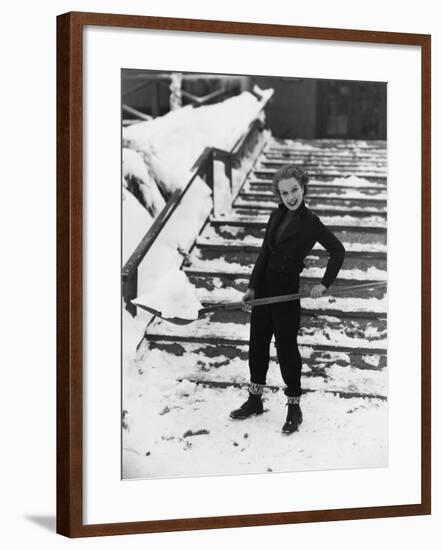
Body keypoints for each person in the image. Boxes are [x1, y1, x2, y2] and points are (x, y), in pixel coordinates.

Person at [229, 165, 345, 434]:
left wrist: (323, 284)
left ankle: (294, 407)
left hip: (286, 292)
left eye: (294, 190)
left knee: (286, 350)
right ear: (278, 195)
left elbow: (338, 250)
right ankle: (255, 399)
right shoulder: (276, 215)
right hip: (265, 289)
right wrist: (252, 288)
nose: (290, 196)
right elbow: (264, 254)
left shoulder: (311, 223)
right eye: (284, 193)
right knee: (257, 344)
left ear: (303, 187)